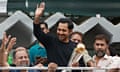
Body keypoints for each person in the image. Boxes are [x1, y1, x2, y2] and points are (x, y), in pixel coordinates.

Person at [33, 2, 80, 68]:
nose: (60, 32)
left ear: (70, 31)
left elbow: (81, 66)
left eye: (64, 30)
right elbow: (37, 32)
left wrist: (76, 67)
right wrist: (37, 17)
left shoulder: (75, 47)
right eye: (59, 29)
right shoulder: (51, 40)